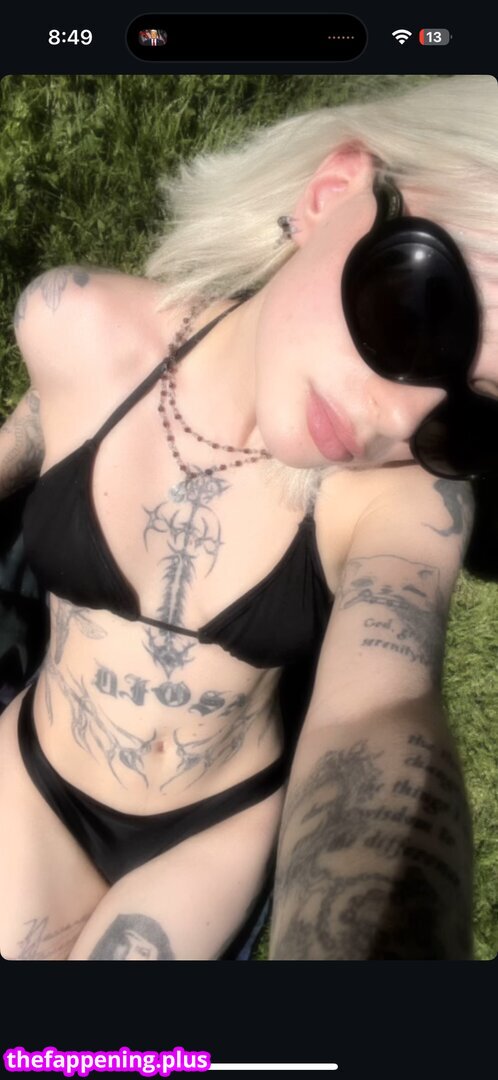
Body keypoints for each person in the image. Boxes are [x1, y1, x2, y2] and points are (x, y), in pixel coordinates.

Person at [0, 74, 496, 961]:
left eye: (478, 417)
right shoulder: (75, 324)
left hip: (214, 832)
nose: (403, 419)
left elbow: (380, 707)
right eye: (420, 311)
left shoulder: (405, 499)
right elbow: (41, 419)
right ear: (330, 194)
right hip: (36, 772)